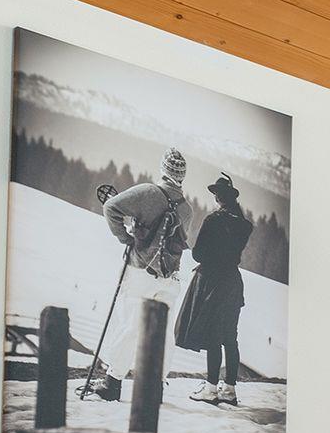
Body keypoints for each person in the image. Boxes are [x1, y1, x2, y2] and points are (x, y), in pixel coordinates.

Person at [97, 147, 190, 383]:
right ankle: (155, 384)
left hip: (140, 270)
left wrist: (126, 238)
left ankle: (112, 381)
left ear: (164, 170)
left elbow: (110, 207)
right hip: (170, 277)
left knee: (130, 325)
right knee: (164, 331)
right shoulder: (186, 209)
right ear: (181, 176)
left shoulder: (148, 192)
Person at [176, 173, 253, 406]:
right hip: (233, 282)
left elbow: (198, 254)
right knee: (230, 337)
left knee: (213, 337)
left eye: (216, 194)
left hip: (212, 282)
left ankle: (210, 389)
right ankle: (229, 390)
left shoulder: (213, 220)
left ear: (219, 197)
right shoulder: (245, 225)